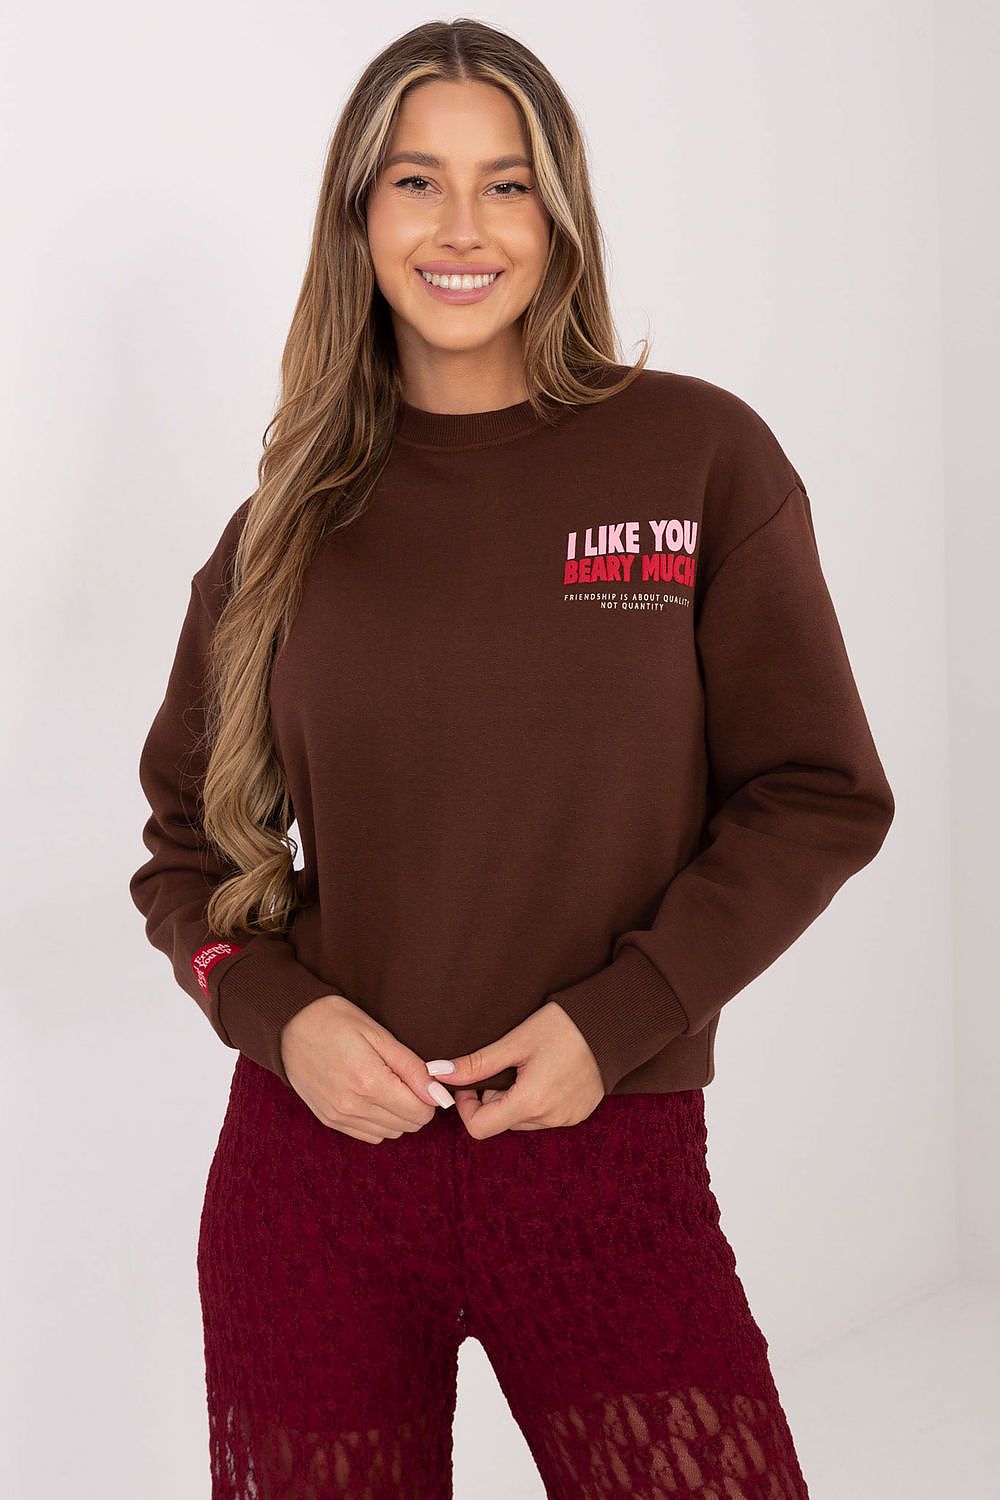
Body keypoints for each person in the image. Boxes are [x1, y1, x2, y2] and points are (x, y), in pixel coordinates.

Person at [129, 19, 894, 1499]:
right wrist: (276, 1016)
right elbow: (183, 846)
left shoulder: (697, 459)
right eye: (417, 181)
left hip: (608, 1165)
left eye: (509, 183)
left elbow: (818, 794)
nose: (463, 227)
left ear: (562, 214)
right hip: (317, 1182)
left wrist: (625, 1018)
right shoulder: (281, 529)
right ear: (360, 217)